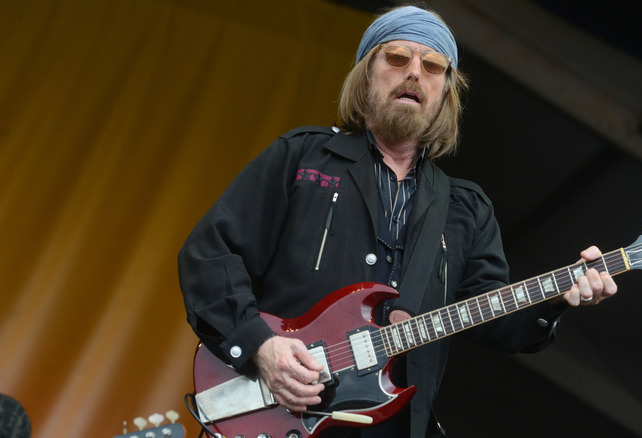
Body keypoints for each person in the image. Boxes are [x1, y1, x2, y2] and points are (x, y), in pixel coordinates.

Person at [178, 5, 617, 437]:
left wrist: (559, 297)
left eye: (432, 65)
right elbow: (210, 253)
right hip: (278, 416)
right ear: (366, 74)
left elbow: (494, 318)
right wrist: (261, 346)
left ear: (446, 91)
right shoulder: (302, 157)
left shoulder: (465, 208)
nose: (414, 72)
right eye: (396, 57)